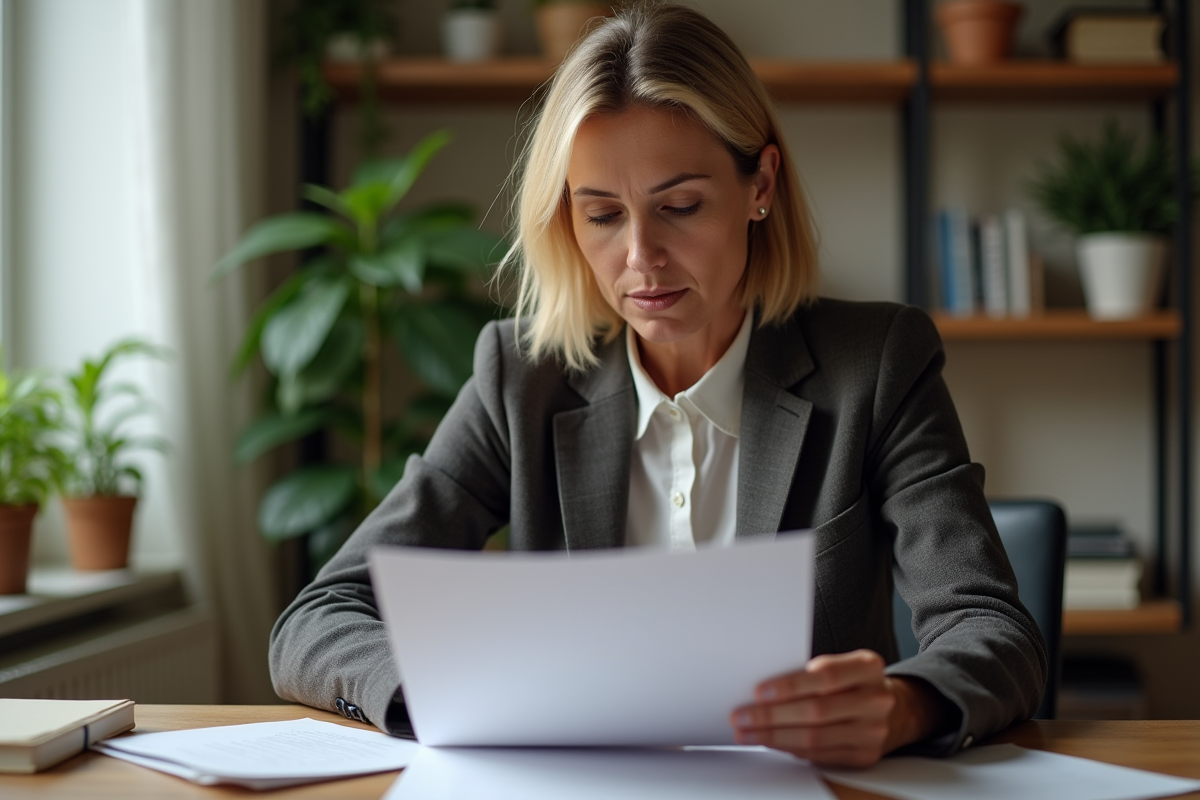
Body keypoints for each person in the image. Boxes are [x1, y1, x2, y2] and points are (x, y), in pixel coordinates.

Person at [269, 3, 1046, 768]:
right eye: (602, 215)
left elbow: (991, 627)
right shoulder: (521, 379)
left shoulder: (877, 363)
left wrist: (903, 707)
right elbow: (318, 617)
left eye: (680, 206)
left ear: (760, 185)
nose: (642, 257)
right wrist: (436, 694)